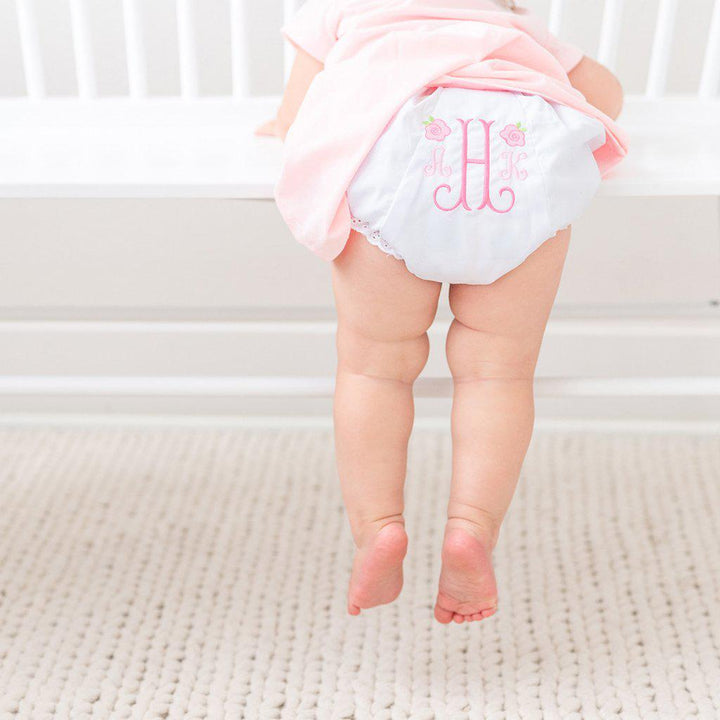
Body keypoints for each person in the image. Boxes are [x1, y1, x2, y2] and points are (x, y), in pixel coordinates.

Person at [259, 0, 627, 624]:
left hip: (395, 144)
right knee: (497, 372)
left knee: (375, 368)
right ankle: (470, 529)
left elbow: (297, 116)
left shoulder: (340, 13)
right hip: (515, 158)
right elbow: (606, 96)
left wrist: (281, 126)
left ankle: (379, 527)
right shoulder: (511, 24)